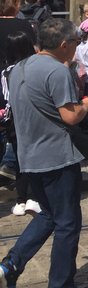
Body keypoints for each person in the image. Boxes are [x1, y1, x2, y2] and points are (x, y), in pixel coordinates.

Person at [0, 18, 88, 288]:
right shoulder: (58, 71)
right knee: (68, 222)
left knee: (47, 215)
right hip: (57, 156)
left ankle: (8, 268)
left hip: (29, 156)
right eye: (74, 44)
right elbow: (70, 116)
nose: (76, 49)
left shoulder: (19, 68)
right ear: (63, 45)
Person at [0, 30, 41, 216]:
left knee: (20, 159)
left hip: (12, 122)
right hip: (32, 119)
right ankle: (34, 197)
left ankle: (21, 199)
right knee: (35, 158)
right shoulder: (32, 68)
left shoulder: (4, 72)